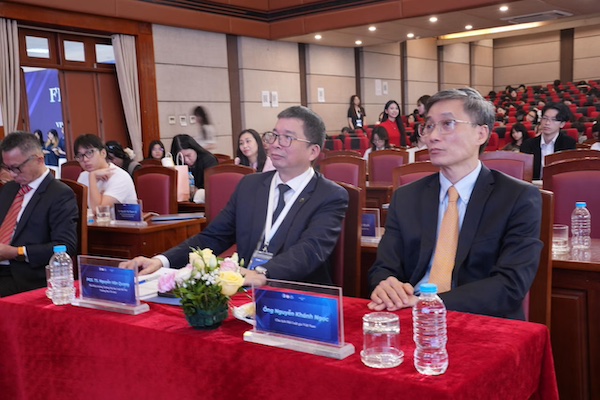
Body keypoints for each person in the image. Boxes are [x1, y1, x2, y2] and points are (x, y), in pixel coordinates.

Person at [122, 106, 349, 288]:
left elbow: (310, 250)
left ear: (313, 151)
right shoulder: (250, 185)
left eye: (287, 138)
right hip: (245, 294)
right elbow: (213, 236)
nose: (275, 144)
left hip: (299, 300)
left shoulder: (330, 195)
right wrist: (161, 261)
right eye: (274, 135)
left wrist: (263, 273)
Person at [368, 87, 543, 320]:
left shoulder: (517, 197)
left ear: (481, 134)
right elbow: (383, 268)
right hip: (410, 316)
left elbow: (510, 284)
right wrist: (386, 285)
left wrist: (429, 304)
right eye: (429, 126)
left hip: (482, 321)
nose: (432, 136)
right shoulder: (406, 197)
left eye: (447, 124)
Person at [0, 132, 78, 296]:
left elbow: (65, 246)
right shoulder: (9, 189)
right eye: (8, 168)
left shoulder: (59, 194)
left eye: (17, 168)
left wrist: (17, 252)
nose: (12, 174)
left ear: (39, 160)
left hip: (24, 276)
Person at [74, 134, 138, 211]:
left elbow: (99, 210)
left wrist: (92, 177)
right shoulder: (83, 176)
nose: (85, 159)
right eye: (80, 156)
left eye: (90, 153)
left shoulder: (120, 177)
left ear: (103, 153)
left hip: (124, 218)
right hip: (93, 219)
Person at [520, 102, 577, 180]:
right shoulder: (528, 144)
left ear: (562, 124)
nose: (547, 123)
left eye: (553, 120)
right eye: (545, 118)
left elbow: (569, 173)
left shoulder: (568, 144)